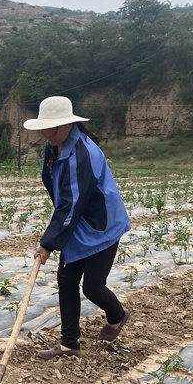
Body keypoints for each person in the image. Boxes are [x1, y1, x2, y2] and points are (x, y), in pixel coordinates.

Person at [23, 96, 131, 359]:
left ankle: (118, 315)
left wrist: (48, 243)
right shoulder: (56, 145)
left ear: (66, 126)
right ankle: (70, 344)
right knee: (66, 280)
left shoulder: (81, 154)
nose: (43, 133)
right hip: (76, 223)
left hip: (99, 226)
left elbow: (71, 204)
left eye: (49, 127)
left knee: (93, 287)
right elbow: (63, 194)